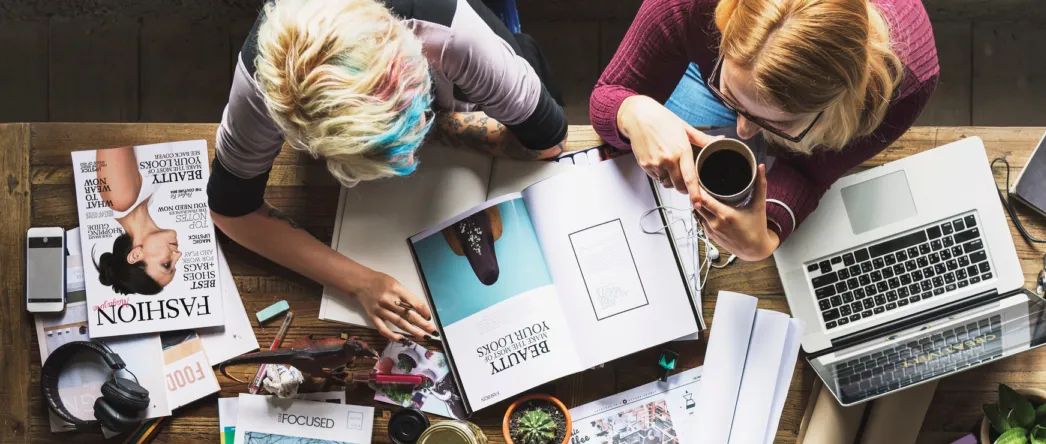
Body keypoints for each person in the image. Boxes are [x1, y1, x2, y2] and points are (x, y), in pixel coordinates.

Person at [209, 0, 568, 342]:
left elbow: (550, 141)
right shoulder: (264, 83)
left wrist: (439, 125)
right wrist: (358, 282)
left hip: (467, 67)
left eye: (417, 123)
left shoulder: (453, 37)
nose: (412, 164)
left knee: (526, 59)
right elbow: (230, 209)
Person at [590, 0, 938, 262]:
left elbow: (811, 172)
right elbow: (609, 93)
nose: (741, 131)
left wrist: (766, 236)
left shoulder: (905, 85)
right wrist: (631, 110)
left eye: (781, 123)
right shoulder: (691, 7)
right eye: (731, 98)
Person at [93, 147, 182, 295]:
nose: (178, 254)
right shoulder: (149, 197)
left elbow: (112, 130)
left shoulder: (120, 198)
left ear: (135, 255)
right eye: (174, 265)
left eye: (166, 264)